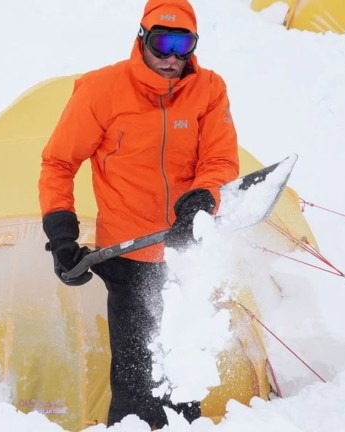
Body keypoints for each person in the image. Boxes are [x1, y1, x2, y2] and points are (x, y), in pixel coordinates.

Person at [38, 0, 239, 428]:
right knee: (137, 383)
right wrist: (61, 236)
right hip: (128, 257)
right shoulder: (101, 90)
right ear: (142, 38)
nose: (171, 58)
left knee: (183, 376)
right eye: (161, 43)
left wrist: (204, 197)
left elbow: (220, 159)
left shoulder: (209, 89)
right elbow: (58, 163)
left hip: (187, 252)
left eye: (182, 46)